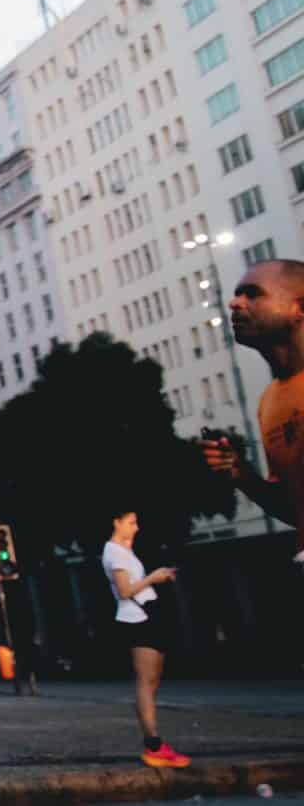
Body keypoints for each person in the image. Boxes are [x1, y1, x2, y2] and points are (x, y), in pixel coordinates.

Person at [205, 259, 304, 558]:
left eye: (253, 293)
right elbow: (294, 510)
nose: (234, 303)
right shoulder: (269, 403)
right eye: (237, 294)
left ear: (299, 308)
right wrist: (243, 476)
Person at [101, 510, 188, 768]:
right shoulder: (113, 552)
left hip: (147, 615)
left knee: (152, 681)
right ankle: (153, 745)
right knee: (145, 681)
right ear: (116, 522)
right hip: (135, 618)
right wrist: (153, 578)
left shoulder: (123, 551)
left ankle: (155, 742)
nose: (136, 527)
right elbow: (124, 591)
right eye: (131, 522)